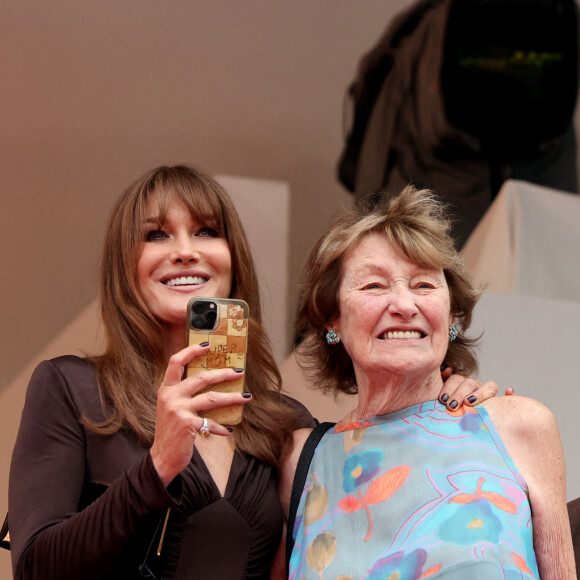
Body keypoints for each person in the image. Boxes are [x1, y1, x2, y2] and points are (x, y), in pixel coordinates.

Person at [8, 165, 499, 580]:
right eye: (156, 234)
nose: (185, 250)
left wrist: (440, 399)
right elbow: (34, 566)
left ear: (232, 256)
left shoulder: (283, 425)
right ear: (125, 266)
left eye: (206, 231)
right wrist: (157, 467)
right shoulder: (73, 389)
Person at [279, 185, 576, 579]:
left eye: (423, 285)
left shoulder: (519, 427)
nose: (404, 305)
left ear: (451, 316)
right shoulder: (300, 460)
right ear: (333, 320)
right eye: (374, 285)